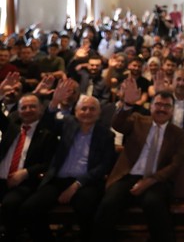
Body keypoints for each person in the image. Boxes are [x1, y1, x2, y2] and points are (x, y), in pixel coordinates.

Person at [19, 84, 116, 242]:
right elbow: (46, 124)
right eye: (83, 109)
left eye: (92, 109)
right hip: (58, 179)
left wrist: (77, 184)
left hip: (86, 182)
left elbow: (104, 166)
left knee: (86, 205)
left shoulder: (106, 135)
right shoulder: (68, 123)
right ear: (76, 112)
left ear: (99, 113)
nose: (87, 112)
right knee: (29, 208)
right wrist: (53, 103)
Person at [92, 82, 184, 242]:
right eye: (158, 104)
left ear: (172, 110)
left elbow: (175, 164)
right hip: (128, 175)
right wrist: (127, 104)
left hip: (157, 180)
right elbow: (117, 124)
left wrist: (150, 180)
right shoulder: (138, 120)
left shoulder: (178, 134)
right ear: (151, 106)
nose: (162, 109)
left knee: (153, 203)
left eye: (166, 106)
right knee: (109, 203)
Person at [0, 86, 58, 241]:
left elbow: (48, 163)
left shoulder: (47, 132)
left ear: (40, 110)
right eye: (23, 107)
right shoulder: (11, 127)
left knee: (10, 204)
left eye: (32, 106)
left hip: (24, 182)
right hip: (1, 178)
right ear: (18, 111)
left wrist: (26, 172)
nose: (28, 110)